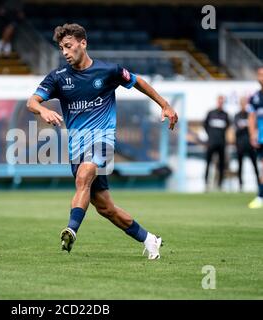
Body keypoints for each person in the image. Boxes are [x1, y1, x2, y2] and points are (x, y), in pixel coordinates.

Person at [26, 24, 178, 260]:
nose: (65, 52)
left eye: (68, 46)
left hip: (102, 140)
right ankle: (150, 239)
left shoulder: (108, 71)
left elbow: (138, 82)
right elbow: (32, 102)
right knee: (106, 208)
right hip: (77, 146)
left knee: (84, 176)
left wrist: (165, 105)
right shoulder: (58, 77)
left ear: (82, 43)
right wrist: (41, 110)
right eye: (61, 48)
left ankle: (71, 230)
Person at [203, 95, 230, 191]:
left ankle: (220, 183)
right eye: (219, 100)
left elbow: (227, 126)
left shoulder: (225, 115)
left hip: (221, 143)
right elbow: (205, 125)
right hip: (211, 143)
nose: (220, 102)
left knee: (221, 164)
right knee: (208, 162)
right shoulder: (211, 113)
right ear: (217, 101)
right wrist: (211, 136)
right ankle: (206, 182)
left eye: (222, 101)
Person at [234, 96, 259, 192]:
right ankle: (240, 184)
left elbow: (254, 127)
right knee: (240, 166)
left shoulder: (250, 115)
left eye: (245, 103)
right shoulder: (237, 115)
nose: (243, 105)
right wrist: (247, 125)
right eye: (242, 103)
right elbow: (237, 128)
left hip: (250, 145)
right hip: (240, 145)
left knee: (255, 165)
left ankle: (259, 184)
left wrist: (246, 125)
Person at [247, 66, 263, 209]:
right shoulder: (255, 97)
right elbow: (251, 117)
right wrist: (252, 134)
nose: (260, 77)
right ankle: (260, 196)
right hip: (261, 138)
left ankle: (260, 196)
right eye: (259, 74)